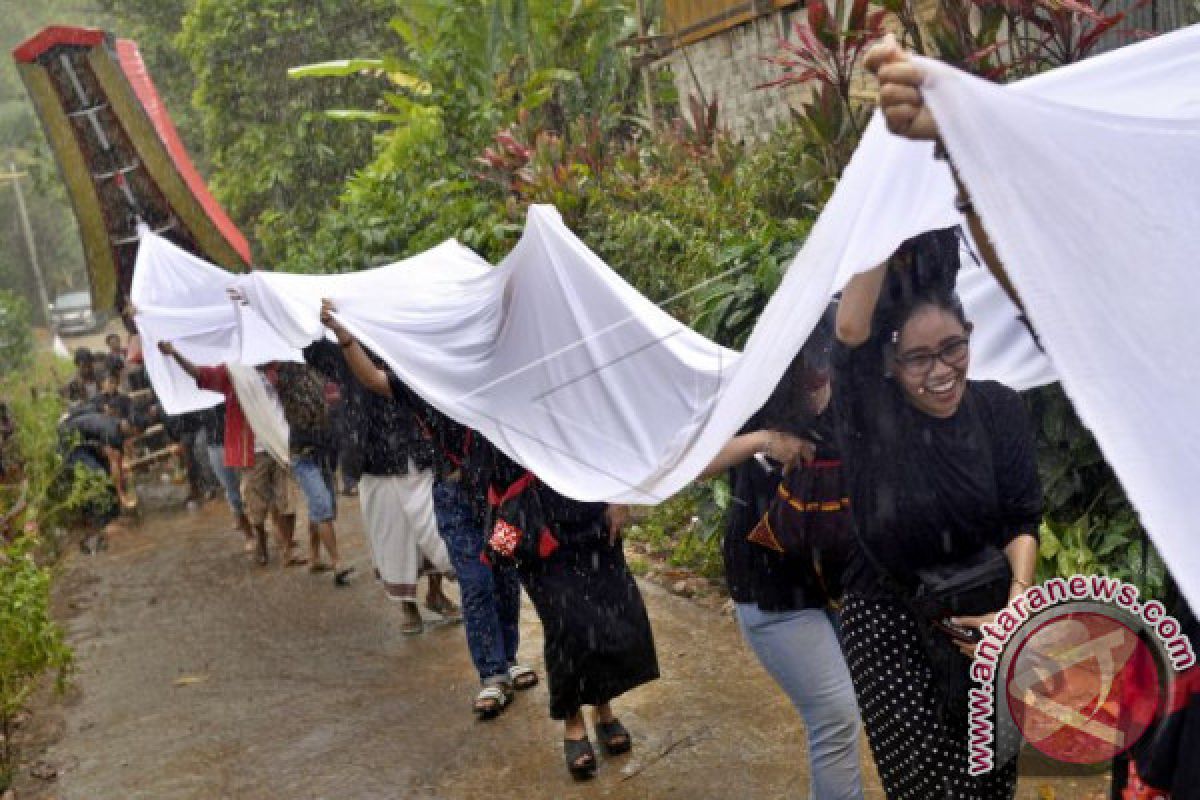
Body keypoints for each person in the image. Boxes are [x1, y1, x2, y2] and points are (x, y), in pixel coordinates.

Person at [318, 301, 533, 718]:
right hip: (456, 504)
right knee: (475, 579)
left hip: (502, 504)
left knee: (505, 574)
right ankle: (492, 674)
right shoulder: (422, 386)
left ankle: (509, 658)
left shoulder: (491, 378)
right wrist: (344, 334)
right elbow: (373, 379)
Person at [699, 312, 865, 800]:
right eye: (812, 358)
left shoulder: (853, 398)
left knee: (847, 712)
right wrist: (765, 440)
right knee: (834, 716)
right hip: (772, 591)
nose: (821, 373)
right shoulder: (755, 394)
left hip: (835, 583)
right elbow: (691, 464)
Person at [297, 316, 456, 634]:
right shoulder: (345, 355)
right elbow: (310, 349)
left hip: (420, 456)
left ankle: (436, 594)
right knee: (392, 537)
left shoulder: (407, 346)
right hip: (376, 463)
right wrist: (290, 307)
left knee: (436, 529)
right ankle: (408, 608)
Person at [156, 342, 298, 565]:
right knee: (254, 504)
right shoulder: (233, 373)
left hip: (281, 445)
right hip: (252, 450)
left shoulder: (277, 366)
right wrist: (175, 353)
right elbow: (201, 374)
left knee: (287, 501)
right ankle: (262, 545)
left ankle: (288, 548)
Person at [272, 361, 352, 586]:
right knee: (322, 505)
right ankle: (337, 563)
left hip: (324, 450)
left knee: (321, 507)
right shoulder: (283, 375)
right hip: (303, 454)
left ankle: (315, 557)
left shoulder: (318, 370)